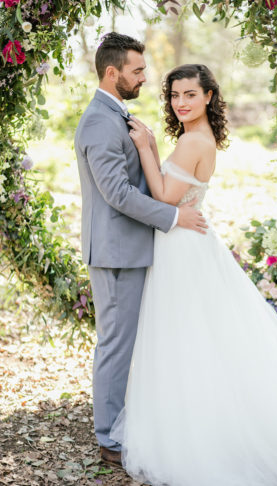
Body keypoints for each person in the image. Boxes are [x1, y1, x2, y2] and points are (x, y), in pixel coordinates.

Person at [110, 64, 277, 485]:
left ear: (209, 96)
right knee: (196, 333)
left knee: (186, 334)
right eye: (174, 95)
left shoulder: (193, 140)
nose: (181, 102)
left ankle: (195, 425)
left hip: (182, 247)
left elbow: (164, 197)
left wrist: (146, 149)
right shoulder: (197, 138)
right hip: (186, 241)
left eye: (190, 94)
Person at [74, 35, 207, 466]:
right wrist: (173, 218)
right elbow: (116, 193)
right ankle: (110, 437)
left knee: (126, 343)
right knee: (116, 345)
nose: (144, 78)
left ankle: (122, 425)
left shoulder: (116, 115)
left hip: (131, 250)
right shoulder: (98, 121)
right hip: (116, 253)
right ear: (112, 73)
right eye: (137, 71)